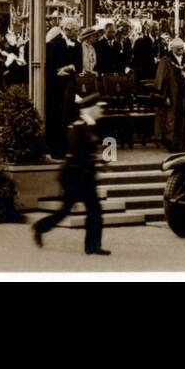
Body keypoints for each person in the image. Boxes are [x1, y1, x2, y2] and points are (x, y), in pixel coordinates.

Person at [33, 95, 111, 256]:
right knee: (65, 211)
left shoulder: (90, 125)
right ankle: (40, 227)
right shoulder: (77, 127)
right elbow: (76, 154)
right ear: (90, 108)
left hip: (85, 177)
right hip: (74, 177)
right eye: (99, 108)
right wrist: (94, 164)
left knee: (94, 212)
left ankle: (93, 246)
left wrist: (99, 164)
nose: (101, 111)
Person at [46, 20, 83, 158]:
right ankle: (56, 149)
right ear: (67, 29)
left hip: (70, 85)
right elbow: (49, 65)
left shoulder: (78, 45)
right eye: (75, 30)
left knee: (68, 116)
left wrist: (70, 67)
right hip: (56, 87)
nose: (77, 33)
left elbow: (79, 66)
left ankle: (68, 148)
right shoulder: (53, 44)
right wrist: (58, 72)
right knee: (56, 117)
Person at [154, 38, 185, 151]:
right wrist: (165, 96)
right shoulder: (166, 61)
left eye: (182, 48)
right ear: (173, 49)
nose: (181, 51)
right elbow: (161, 80)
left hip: (184, 93)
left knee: (184, 118)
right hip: (172, 93)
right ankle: (171, 143)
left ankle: (183, 143)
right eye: (178, 49)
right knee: (171, 119)